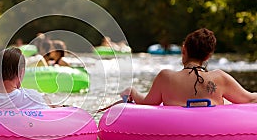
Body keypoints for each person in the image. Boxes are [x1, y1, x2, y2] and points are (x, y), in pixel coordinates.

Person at [101, 28, 257, 109]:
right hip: (213, 137)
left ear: (184, 50)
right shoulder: (220, 78)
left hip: (176, 138)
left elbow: (147, 103)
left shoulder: (166, 77)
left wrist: (132, 91)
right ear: (208, 56)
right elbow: (250, 99)